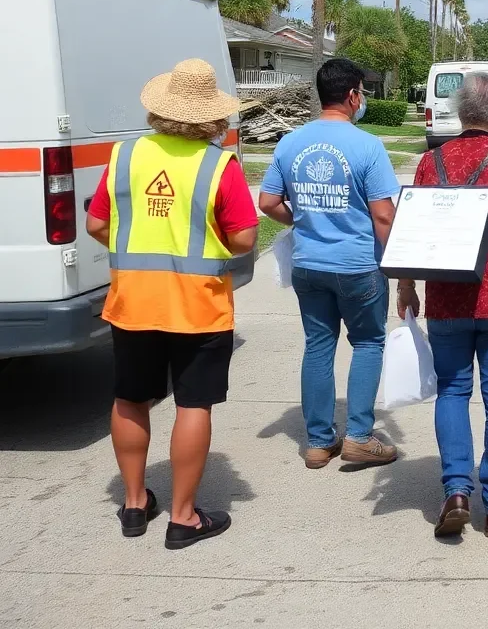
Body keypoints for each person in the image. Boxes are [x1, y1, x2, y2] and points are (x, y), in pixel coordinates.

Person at [85, 59, 259, 549]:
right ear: (213, 116)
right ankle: (184, 518)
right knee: (193, 403)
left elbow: (97, 225)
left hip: (133, 301)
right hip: (197, 305)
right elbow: (245, 237)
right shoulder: (217, 164)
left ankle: (135, 504)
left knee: (130, 397)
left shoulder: (124, 156)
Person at [396, 72, 488, 541]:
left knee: (453, 392)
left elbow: (414, 233)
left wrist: (406, 288)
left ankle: (457, 491)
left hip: (447, 298)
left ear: (459, 112)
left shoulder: (430, 163)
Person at [258, 58, 400, 471]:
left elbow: (267, 202)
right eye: (363, 92)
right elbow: (384, 217)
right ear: (353, 95)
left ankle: (319, 442)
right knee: (369, 342)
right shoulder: (367, 146)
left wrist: (301, 221)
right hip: (358, 265)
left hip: (308, 263)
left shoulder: (290, 143)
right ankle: (358, 436)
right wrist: (402, 272)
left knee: (318, 345)